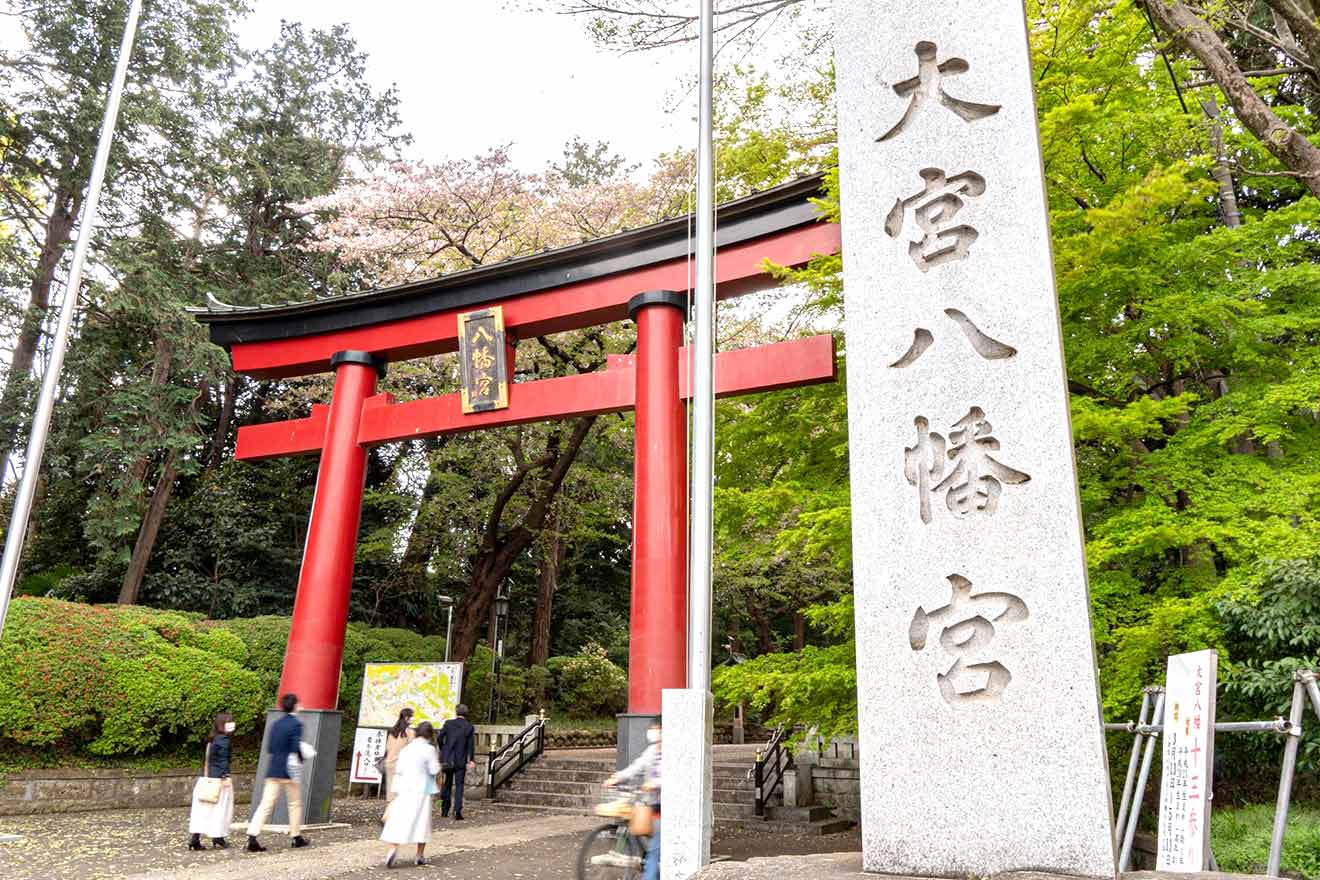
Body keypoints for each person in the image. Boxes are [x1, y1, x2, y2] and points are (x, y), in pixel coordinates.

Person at [246, 693, 309, 852]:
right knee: (294, 804)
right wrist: (303, 756)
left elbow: (270, 748)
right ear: (295, 706)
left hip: (274, 768)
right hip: (289, 770)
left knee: (266, 803)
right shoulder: (296, 724)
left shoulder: (276, 724)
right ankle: (296, 837)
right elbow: (295, 747)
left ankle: (252, 836)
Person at [381, 720, 441, 868]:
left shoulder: (407, 749)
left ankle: (392, 849)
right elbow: (434, 770)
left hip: (404, 788)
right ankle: (419, 855)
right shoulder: (429, 749)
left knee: (399, 819)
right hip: (422, 789)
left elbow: (399, 769)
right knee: (422, 821)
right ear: (429, 735)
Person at [606, 722, 661, 880]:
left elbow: (672, 776)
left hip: (666, 807)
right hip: (651, 805)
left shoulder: (671, 752)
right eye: (653, 729)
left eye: (657, 729)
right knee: (647, 841)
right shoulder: (651, 751)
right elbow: (636, 766)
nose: (653, 732)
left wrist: (655, 783)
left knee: (654, 850)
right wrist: (618, 777)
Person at [188, 712, 236, 850]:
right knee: (221, 809)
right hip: (219, 781)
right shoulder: (224, 740)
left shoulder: (213, 739)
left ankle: (195, 838)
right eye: (230, 722)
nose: (232, 724)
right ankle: (218, 836)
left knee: (203, 810)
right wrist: (226, 776)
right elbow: (223, 760)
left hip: (207, 779)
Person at [438, 703, 476, 820]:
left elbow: (439, 737)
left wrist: (444, 749)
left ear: (456, 712)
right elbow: (470, 745)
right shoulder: (469, 726)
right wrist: (471, 759)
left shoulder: (448, 724)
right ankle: (457, 811)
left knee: (447, 783)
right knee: (459, 785)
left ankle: (444, 810)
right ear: (466, 713)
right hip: (460, 759)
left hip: (448, 759)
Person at [383, 708, 415, 805]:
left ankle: (388, 816)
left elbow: (387, 747)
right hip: (402, 765)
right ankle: (394, 817)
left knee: (391, 793)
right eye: (412, 716)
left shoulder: (393, 730)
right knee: (402, 794)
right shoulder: (409, 732)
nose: (413, 719)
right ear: (406, 718)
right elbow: (412, 749)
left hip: (389, 763)